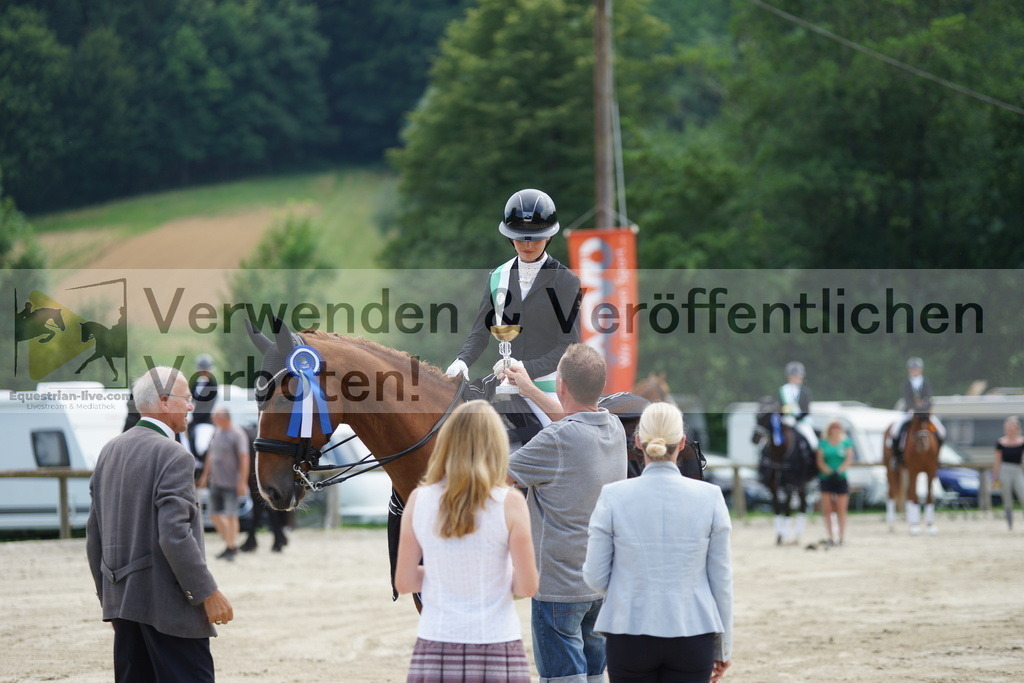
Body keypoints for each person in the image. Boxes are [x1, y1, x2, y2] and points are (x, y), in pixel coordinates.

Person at [87, 366, 233, 682]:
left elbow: (94, 536)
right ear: (164, 401)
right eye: (187, 398)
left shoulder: (109, 451)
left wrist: (108, 600)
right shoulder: (174, 455)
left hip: (122, 605)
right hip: (168, 608)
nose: (192, 406)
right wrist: (208, 593)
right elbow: (174, 535)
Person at [502, 343, 627, 683]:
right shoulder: (613, 427)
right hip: (603, 583)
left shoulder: (556, 439)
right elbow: (573, 421)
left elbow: (498, 474)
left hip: (559, 589)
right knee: (595, 675)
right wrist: (529, 389)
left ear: (561, 386)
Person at [583, 402, 733, 683]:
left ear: (638, 441)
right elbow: (721, 581)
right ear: (683, 443)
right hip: (693, 631)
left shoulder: (612, 496)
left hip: (628, 630)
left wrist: (628, 589)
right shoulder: (711, 497)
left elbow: (594, 576)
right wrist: (723, 647)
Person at [395, 401, 539, 682]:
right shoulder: (510, 502)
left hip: (437, 640)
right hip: (496, 641)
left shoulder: (418, 499)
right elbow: (527, 586)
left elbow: (405, 582)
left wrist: (445, 573)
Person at [445, 189, 582, 402]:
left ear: (548, 236)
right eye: (520, 238)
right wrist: (462, 360)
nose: (527, 245)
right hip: (504, 385)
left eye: (535, 239)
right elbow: (480, 333)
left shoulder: (565, 281)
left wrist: (525, 368)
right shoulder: (497, 276)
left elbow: (569, 346)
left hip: (547, 389)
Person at [198, 406, 250, 561]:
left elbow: (244, 459)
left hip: (232, 483)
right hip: (216, 482)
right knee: (214, 515)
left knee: (231, 515)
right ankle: (230, 545)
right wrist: (205, 476)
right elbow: (210, 455)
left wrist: (242, 482)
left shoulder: (237, 434)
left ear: (224, 417)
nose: (213, 418)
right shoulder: (217, 432)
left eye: (216, 415)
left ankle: (231, 547)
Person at [890, 357, 946, 458]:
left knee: (941, 431)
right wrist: (913, 408)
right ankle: (897, 456)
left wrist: (923, 408)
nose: (914, 371)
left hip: (924, 413)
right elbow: (907, 398)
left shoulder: (926, 382)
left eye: (916, 369)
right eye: (912, 369)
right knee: (896, 430)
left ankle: (937, 456)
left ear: (921, 370)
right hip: (910, 411)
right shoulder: (906, 383)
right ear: (909, 370)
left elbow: (929, 398)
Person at [816, 419, 854, 547]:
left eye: (838, 427)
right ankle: (830, 536)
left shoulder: (846, 443)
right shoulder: (823, 443)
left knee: (841, 509)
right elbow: (820, 461)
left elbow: (848, 459)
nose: (836, 429)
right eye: (834, 427)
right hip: (826, 478)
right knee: (827, 509)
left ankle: (841, 537)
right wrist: (828, 471)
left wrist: (839, 471)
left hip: (841, 478)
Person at [994, 416, 1024, 532]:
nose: (1010, 429)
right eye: (1008, 427)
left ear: (1017, 428)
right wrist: (995, 477)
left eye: (1012, 426)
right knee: (1007, 499)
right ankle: (1010, 525)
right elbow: (997, 461)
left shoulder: (1022, 441)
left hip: (1017, 470)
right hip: (1004, 470)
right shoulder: (1000, 442)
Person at [779, 361, 817, 452]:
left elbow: (806, 410)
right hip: (785, 421)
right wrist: (784, 416)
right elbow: (779, 405)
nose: (798, 378)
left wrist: (796, 420)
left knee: (814, 443)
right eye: (795, 376)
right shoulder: (783, 390)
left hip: (802, 422)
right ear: (789, 377)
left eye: (799, 375)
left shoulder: (805, 392)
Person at [189, 353, 219, 461]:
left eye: (206, 371)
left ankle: (203, 465)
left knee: (201, 446)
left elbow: (208, 407)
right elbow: (190, 398)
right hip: (193, 420)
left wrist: (193, 417)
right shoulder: (196, 383)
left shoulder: (213, 386)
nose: (203, 373)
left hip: (204, 421)